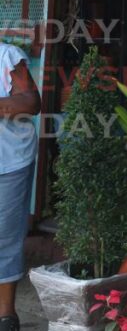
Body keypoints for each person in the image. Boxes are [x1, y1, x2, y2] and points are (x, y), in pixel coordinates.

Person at [0, 43, 40, 331]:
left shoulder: (7, 56)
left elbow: (30, 102)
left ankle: (6, 316)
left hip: (9, 162)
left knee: (5, 238)